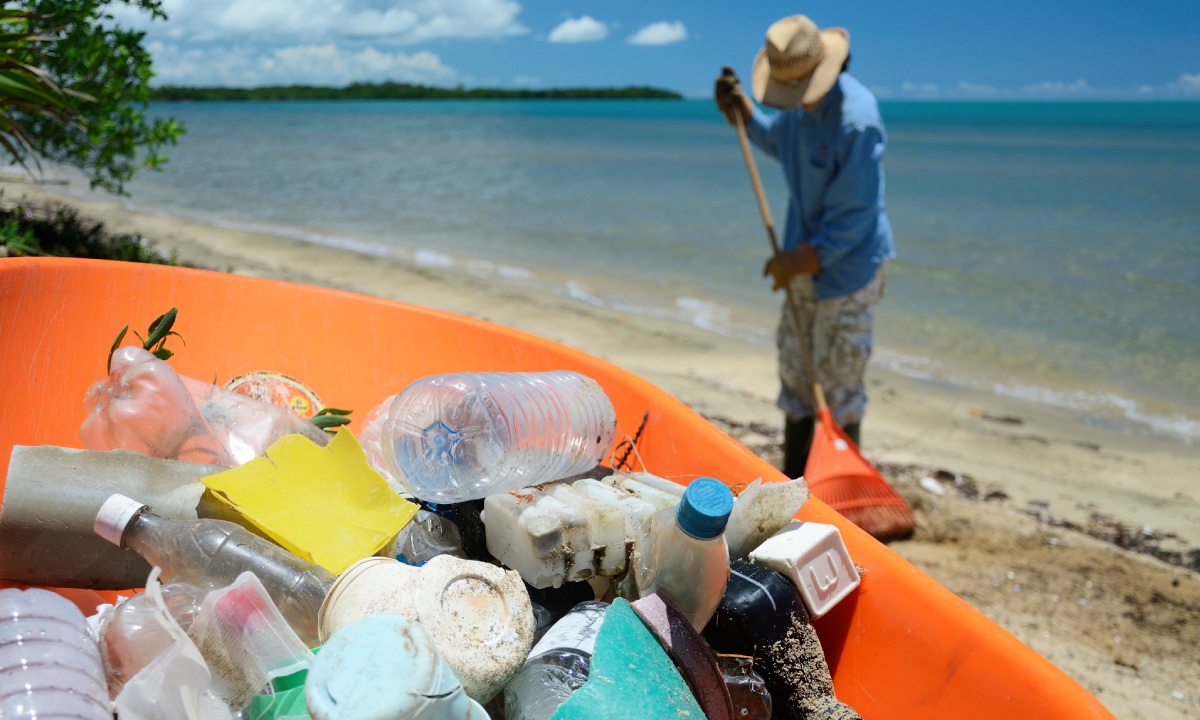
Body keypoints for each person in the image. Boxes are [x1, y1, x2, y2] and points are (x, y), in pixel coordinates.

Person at [714, 15, 894, 478]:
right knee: (796, 375)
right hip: (801, 266)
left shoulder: (857, 120)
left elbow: (855, 217)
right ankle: (795, 478)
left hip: (847, 272)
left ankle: (840, 485)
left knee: (838, 382)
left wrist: (797, 260)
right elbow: (779, 140)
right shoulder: (797, 110)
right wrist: (744, 114)